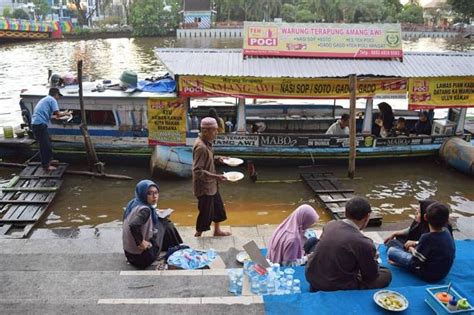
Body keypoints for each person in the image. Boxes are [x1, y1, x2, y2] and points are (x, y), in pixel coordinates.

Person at [305, 197, 392, 291]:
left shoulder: (330, 224)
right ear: (367, 217)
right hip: (332, 286)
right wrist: (373, 259)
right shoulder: (364, 243)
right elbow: (370, 277)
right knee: (386, 274)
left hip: (312, 276)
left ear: (345, 213)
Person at [386, 202, 455, 282]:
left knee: (391, 251)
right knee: (398, 243)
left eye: (418, 211)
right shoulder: (446, 231)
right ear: (447, 219)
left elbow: (414, 263)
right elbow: (436, 244)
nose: (416, 213)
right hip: (442, 273)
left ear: (425, 217)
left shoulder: (427, 237)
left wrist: (407, 254)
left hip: (428, 275)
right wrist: (416, 243)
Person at [122, 180, 183, 269]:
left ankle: (172, 246)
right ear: (143, 194)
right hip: (142, 259)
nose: (154, 196)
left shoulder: (133, 203)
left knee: (160, 221)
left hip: (129, 255)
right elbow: (134, 225)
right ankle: (174, 246)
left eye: (156, 193)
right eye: (149, 193)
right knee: (165, 223)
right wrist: (141, 242)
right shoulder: (145, 210)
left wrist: (156, 212)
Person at [192, 117, 231, 237]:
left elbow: (207, 161)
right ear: (205, 131)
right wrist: (217, 177)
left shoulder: (207, 143)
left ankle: (217, 231)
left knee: (218, 207)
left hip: (212, 184)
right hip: (204, 187)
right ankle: (198, 235)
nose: (216, 133)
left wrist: (218, 159)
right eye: (214, 130)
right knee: (205, 212)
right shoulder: (201, 147)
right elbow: (198, 170)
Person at [31, 88, 71, 171]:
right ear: (56, 94)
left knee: (47, 142)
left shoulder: (45, 99)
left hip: (36, 124)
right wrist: (66, 113)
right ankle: (46, 166)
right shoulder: (52, 100)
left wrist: (57, 116)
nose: (58, 98)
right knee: (45, 146)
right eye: (58, 95)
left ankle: (49, 160)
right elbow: (58, 113)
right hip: (40, 125)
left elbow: (51, 115)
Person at [384, 199, 453, 247]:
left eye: (419, 212)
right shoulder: (424, 223)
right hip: (423, 246)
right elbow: (411, 229)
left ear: (426, 216)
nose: (416, 213)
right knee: (398, 238)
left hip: (425, 255)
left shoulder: (436, 228)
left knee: (392, 246)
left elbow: (433, 244)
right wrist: (395, 233)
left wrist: (413, 245)